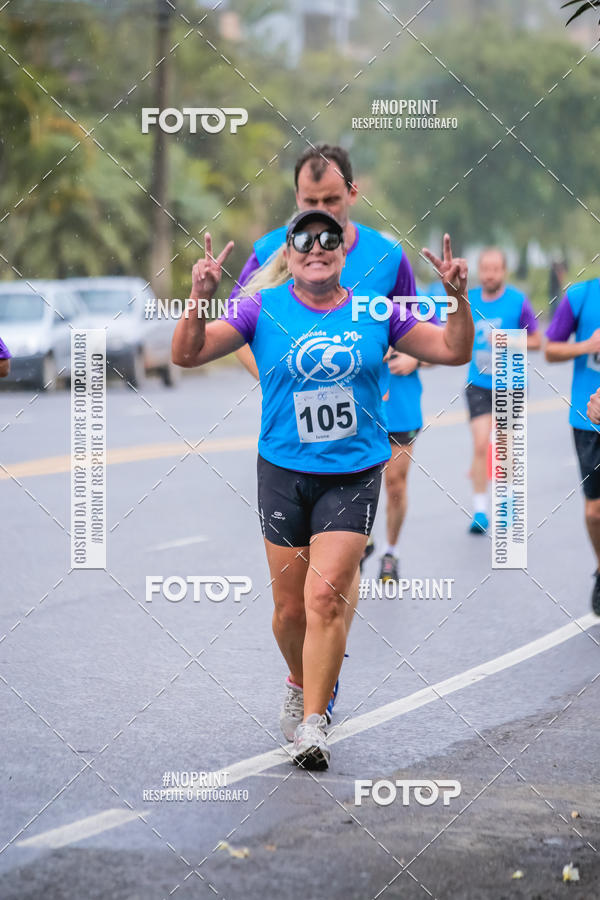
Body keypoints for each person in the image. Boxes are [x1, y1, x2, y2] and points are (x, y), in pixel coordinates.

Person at [172, 212, 473, 769]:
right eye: (304, 239)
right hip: (283, 471)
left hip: (353, 470)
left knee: (324, 596)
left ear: (342, 252)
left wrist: (456, 299)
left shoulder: (373, 309)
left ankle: (314, 723)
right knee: (288, 611)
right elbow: (187, 353)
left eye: (329, 238)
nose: (318, 247)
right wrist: (198, 298)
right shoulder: (261, 309)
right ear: (287, 252)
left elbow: (453, 350)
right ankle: (301, 676)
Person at [229, 143, 425, 587]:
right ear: (296, 196)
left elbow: (421, 327)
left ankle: (373, 562)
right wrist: (272, 376)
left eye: (331, 200)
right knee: (303, 589)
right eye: (310, 201)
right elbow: (233, 328)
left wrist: (411, 357)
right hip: (296, 431)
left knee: (337, 573)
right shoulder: (272, 252)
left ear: (352, 193)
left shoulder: (387, 256)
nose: (322, 210)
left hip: (378, 407)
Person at [465, 248, 541, 534]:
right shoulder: (469, 301)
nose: (489, 275)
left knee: (505, 449)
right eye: (485, 269)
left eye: (495, 269)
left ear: (504, 271)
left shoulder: (517, 302)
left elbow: (537, 342)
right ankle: (480, 510)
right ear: (479, 271)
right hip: (479, 384)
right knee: (480, 444)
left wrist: (507, 340)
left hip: (512, 383)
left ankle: (506, 504)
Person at [546, 279, 600, 614]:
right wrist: (587, 345)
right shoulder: (581, 296)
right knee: (595, 511)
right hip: (587, 421)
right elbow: (550, 348)